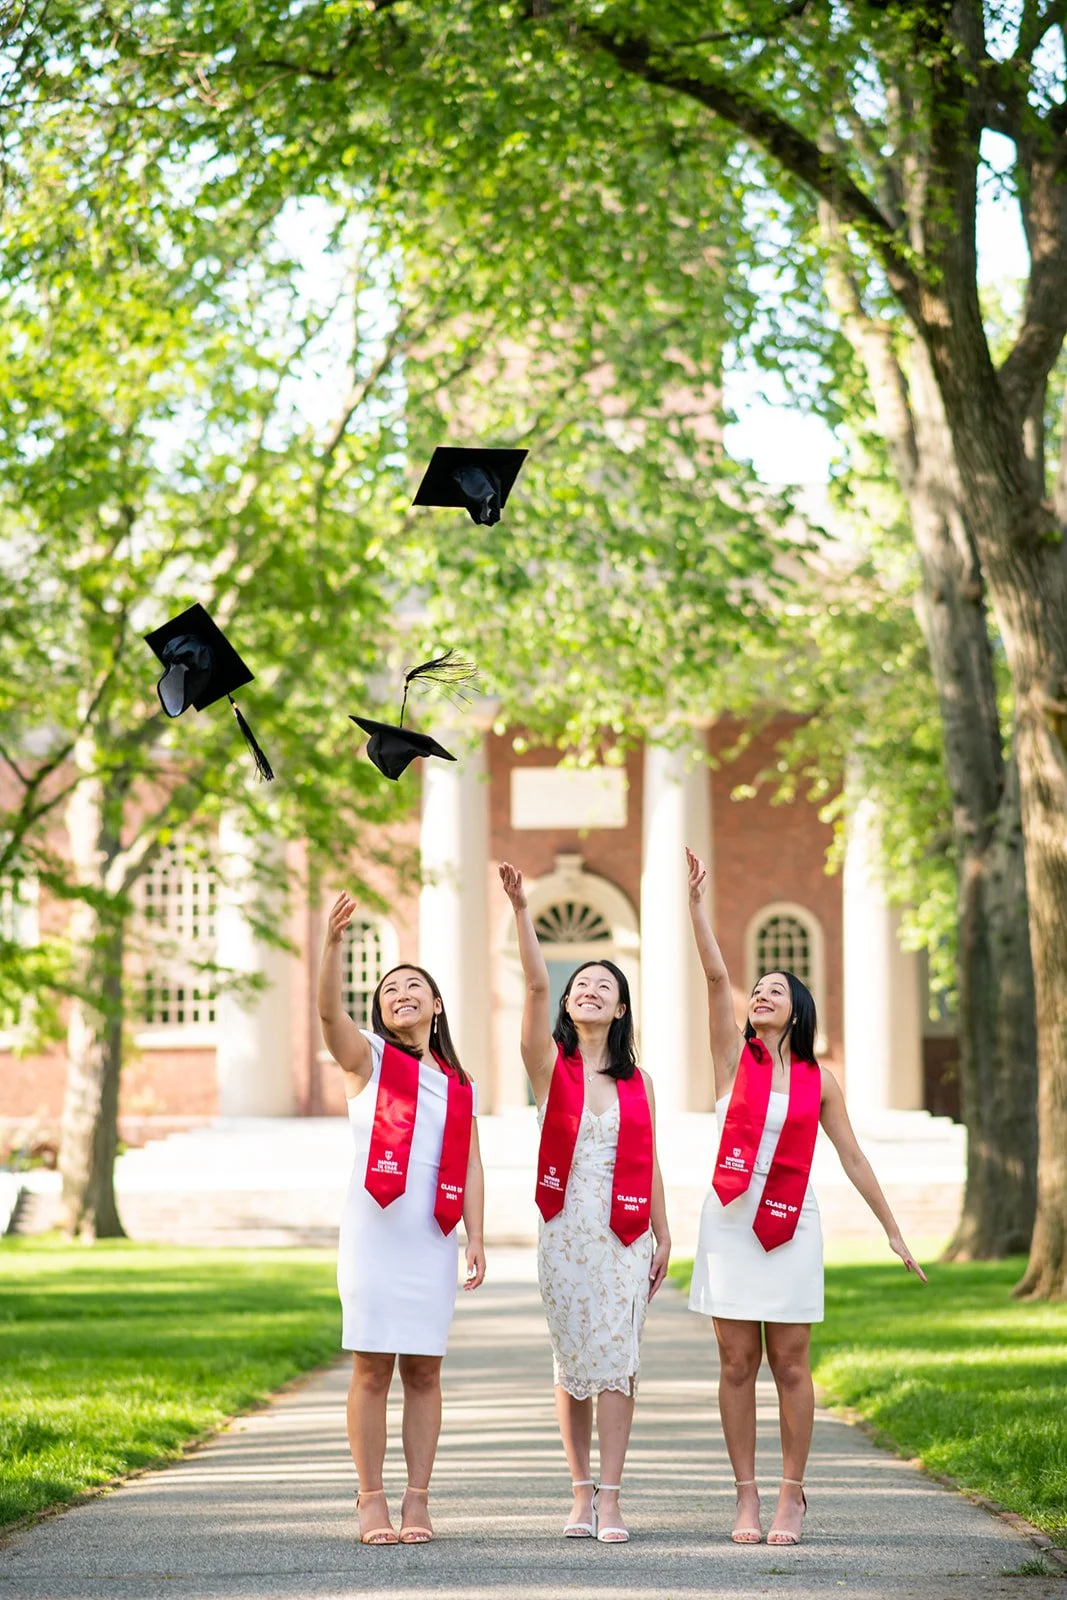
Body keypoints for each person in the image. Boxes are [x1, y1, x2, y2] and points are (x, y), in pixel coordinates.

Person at [684, 847, 927, 1547]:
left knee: (790, 1362)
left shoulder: (819, 1083)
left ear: (798, 1011)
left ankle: (792, 1494)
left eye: (774, 989)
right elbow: (713, 974)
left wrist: (892, 1230)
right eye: (755, 988)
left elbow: (850, 1155)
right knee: (735, 1364)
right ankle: (746, 1498)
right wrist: (698, 907)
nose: (758, 994)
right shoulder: (733, 1059)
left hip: (791, 1225)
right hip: (729, 1221)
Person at [499, 862, 670, 1545]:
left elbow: (650, 1160)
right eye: (582, 986)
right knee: (573, 1361)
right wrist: (519, 907)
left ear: (620, 1008)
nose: (590, 990)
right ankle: (578, 1496)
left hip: (624, 1232)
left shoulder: (639, 1082)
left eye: (605, 985)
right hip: (566, 1231)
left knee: (619, 1356)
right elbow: (535, 981)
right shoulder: (548, 1067)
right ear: (567, 1006)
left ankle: (612, 1500)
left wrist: (664, 1234)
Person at [318, 891, 486, 1546]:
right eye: (390, 989)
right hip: (373, 1233)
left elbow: (471, 1162)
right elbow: (326, 1013)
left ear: (436, 1005)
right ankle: (369, 1501)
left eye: (414, 985)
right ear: (380, 1010)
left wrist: (475, 1235)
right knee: (371, 1368)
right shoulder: (367, 1059)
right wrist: (333, 946)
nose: (400, 993)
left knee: (423, 1369)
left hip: (431, 1234)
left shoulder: (459, 1083)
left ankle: (418, 1499)